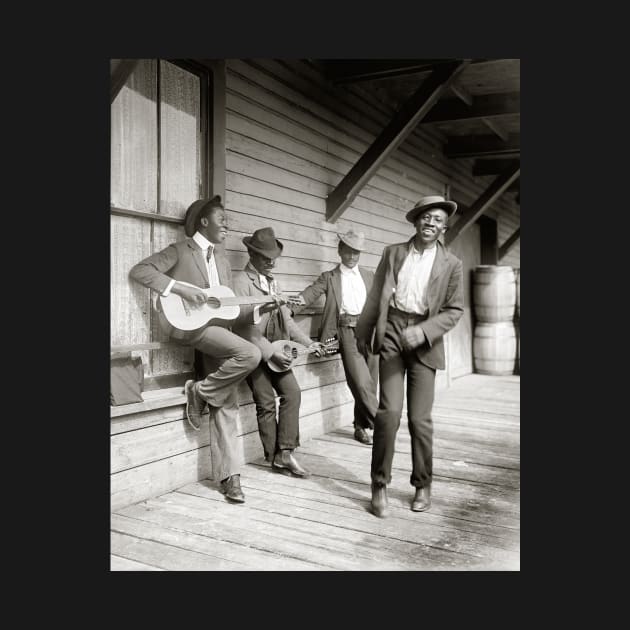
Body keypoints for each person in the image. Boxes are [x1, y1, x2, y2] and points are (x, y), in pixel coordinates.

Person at [128, 195, 262, 504]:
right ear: (204, 221)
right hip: (190, 327)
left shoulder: (223, 260)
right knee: (250, 354)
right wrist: (181, 289)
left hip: (218, 332)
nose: (227, 224)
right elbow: (141, 271)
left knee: (227, 400)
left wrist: (261, 307)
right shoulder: (180, 251)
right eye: (221, 219)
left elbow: (228, 308)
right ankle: (199, 392)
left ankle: (230, 477)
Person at [356, 195, 464, 517]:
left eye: (438, 220)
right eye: (426, 218)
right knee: (388, 412)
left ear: (444, 227)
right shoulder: (394, 253)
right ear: (416, 220)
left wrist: (426, 330)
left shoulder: (452, 264)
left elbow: (455, 310)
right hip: (391, 330)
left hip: (425, 340)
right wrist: (362, 333)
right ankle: (379, 485)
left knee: (420, 419)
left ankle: (422, 484)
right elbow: (376, 294)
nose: (431, 224)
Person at [232, 227, 324, 478]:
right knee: (265, 402)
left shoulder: (274, 283)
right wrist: (270, 352)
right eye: (265, 257)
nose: (271, 261)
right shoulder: (241, 283)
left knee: (292, 392)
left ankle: (284, 452)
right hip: (254, 351)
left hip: (277, 351)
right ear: (251, 254)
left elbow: (288, 320)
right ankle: (276, 458)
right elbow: (242, 326)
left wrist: (308, 343)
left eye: (273, 256)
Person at [291, 228, 379, 445]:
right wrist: (290, 307)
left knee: (370, 380)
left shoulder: (370, 276)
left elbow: (384, 298)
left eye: (356, 253)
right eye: (348, 251)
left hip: (372, 332)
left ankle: (361, 427)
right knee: (360, 382)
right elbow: (310, 294)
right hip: (346, 331)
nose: (351, 257)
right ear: (340, 251)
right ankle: (385, 424)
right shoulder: (329, 277)